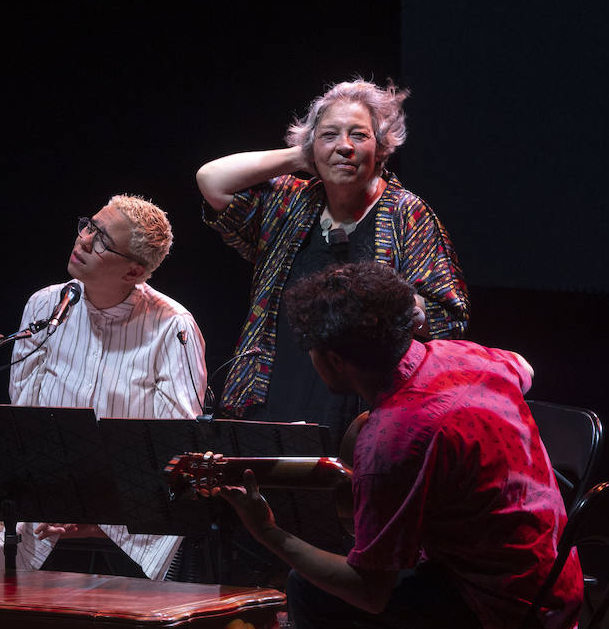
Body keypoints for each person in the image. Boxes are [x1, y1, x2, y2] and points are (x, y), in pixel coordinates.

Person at [207, 261, 582, 629]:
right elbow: (522, 368)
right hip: (556, 583)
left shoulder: (394, 439)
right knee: (370, 589)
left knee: (318, 590)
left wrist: (267, 532)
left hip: (508, 612)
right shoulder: (466, 355)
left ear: (334, 360)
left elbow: (369, 590)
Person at [0, 195, 206, 580]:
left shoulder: (172, 326)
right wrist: (43, 493)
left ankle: (14, 615)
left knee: (173, 517)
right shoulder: (46, 305)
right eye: (89, 225)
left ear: (132, 272)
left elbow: (175, 448)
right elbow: (24, 415)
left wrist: (98, 516)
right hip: (42, 488)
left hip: (123, 507)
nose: (83, 239)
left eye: (101, 240)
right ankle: (13, 619)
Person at [195, 79, 468, 449]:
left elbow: (448, 315)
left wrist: (400, 309)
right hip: (273, 392)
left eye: (359, 135)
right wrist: (302, 156)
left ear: (382, 146)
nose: (344, 146)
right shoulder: (290, 203)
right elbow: (211, 180)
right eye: (329, 136)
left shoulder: (408, 214)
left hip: (360, 408)